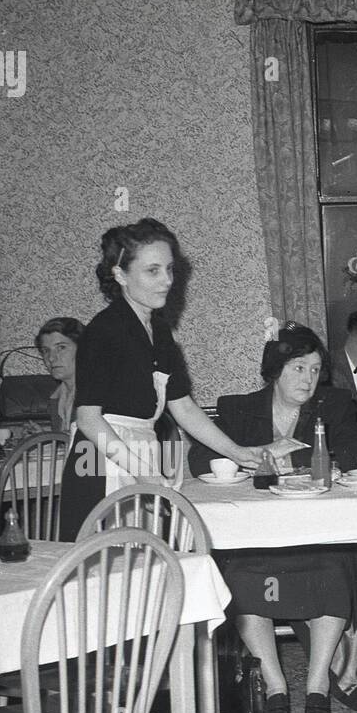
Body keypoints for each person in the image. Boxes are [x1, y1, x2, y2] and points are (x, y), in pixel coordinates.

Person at [194, 324, 357, 713]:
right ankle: (274, 684)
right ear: (275, 370)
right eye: (298, 368)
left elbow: (353, 457)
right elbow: (200, 462)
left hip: (318, 532)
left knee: (337, 567)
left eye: (315, 369)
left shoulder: (334, 404)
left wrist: (285, 462)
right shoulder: (238, 408)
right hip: (256, 536)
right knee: (239, 574)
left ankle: (318, 682)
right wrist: (267, 450)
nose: (308, 379)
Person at [57, 218, 269, 540]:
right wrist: (142, 470)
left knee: (147, 565)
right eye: (152, 270)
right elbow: (88, 418)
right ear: (120, 274)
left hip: (143, 452)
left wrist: (236, 451)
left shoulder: (159, 330)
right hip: (100, 461)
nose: (167, 280)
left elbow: (182, 407)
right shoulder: (105, 330)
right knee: (109, 571)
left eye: (169, 269)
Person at [35, 316, 83, 435]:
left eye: (61, 348)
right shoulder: (57, 397)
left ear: (83, 349)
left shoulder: (96, 395)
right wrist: (45, 438)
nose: (51, 358)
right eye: (46, 350)